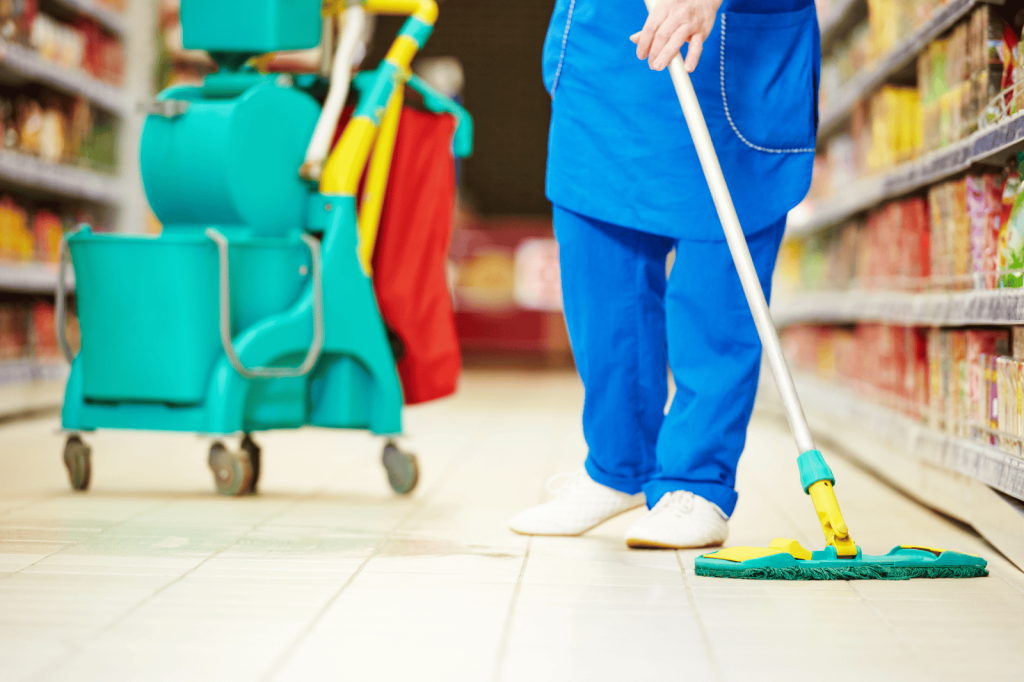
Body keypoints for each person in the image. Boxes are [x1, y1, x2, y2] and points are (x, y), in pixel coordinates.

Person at [509, 0, 820, 548]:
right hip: (611, 45)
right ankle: (617, 465)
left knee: (716, 287)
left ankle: (695, 482)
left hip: (734, 51)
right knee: (598, 264)